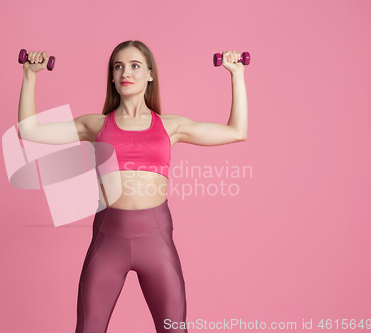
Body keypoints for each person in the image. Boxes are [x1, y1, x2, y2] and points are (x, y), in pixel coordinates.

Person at [17, 40, 248, 333]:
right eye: (118, 66)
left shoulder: (169, 126)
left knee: (174, 329)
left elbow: (237, 131)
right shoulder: (95, 124)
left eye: (135, 65)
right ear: (112, 78)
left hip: (157, 243)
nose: (126, 72)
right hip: (107, 242)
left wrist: (236, 74)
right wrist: (30, 75)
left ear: (150, 74)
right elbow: (29, 130)